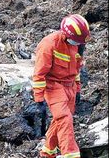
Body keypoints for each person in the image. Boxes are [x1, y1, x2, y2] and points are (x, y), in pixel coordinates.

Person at [33, 14, 90, 158]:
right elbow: (39, 74)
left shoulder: (78, 44)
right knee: (65, 119)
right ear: (66, 35)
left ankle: (47, 152)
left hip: (69, 86)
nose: (78, 45)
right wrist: (39, 99)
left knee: (60, 121)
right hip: (53, 86)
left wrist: (77, 90)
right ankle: (70, 154)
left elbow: (76, 69)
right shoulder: (49, 44)